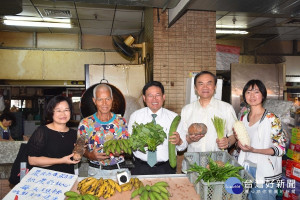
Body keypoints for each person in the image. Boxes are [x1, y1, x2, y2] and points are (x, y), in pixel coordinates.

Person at [234, 79, 286, 200]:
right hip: (246, 170)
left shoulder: (272, 118)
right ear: (244, 96)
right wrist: (238, 144)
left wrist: (254, 150)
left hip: (265, 173)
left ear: (263, 95)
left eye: (256, 92)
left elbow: (281, 149)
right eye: (248, 92)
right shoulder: (243, 118)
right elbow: (242, 146)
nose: (252, 96)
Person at [128, 81, 186, 175]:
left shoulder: (174, 118)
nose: (154, 99)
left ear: (163, 97)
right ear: (144, 98)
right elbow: (130, 142)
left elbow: (183, 146)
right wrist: (141, 143)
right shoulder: (135, 116)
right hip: (140, 167)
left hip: (166, 168)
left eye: (158, 95)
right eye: (150, 95)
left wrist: (179, 141)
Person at [77, 84, 129, 178]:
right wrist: (89, 155)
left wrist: (122, 151)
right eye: (100, 99)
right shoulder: (85, 124)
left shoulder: (121, 121)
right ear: (94, 101)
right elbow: (79, 149)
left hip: (119, 170)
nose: (104, 103)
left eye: (108, 99)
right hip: (96, 172)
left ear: (112, 99)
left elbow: (128, 146)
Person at [178, 71, 237, 153]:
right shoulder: (186, 110)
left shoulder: (227, 108)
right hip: (194, 161)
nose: (205, 87)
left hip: (217, 161)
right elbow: (183, 139)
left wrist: (228, 142)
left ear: (215, 86)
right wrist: (190, 139)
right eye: (201, 84)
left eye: (209, 83)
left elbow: (234, 134)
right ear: (195, 87)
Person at [27, 95, 80, 174]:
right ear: (51, 112)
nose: (63, 114)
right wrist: (61, 161)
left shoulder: (74, 133)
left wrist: (79, 151)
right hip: (46, 180)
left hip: (67, 179)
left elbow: (73, 157)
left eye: (66, 110)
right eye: (58, 110)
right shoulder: (42, 131)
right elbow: (32, 160)